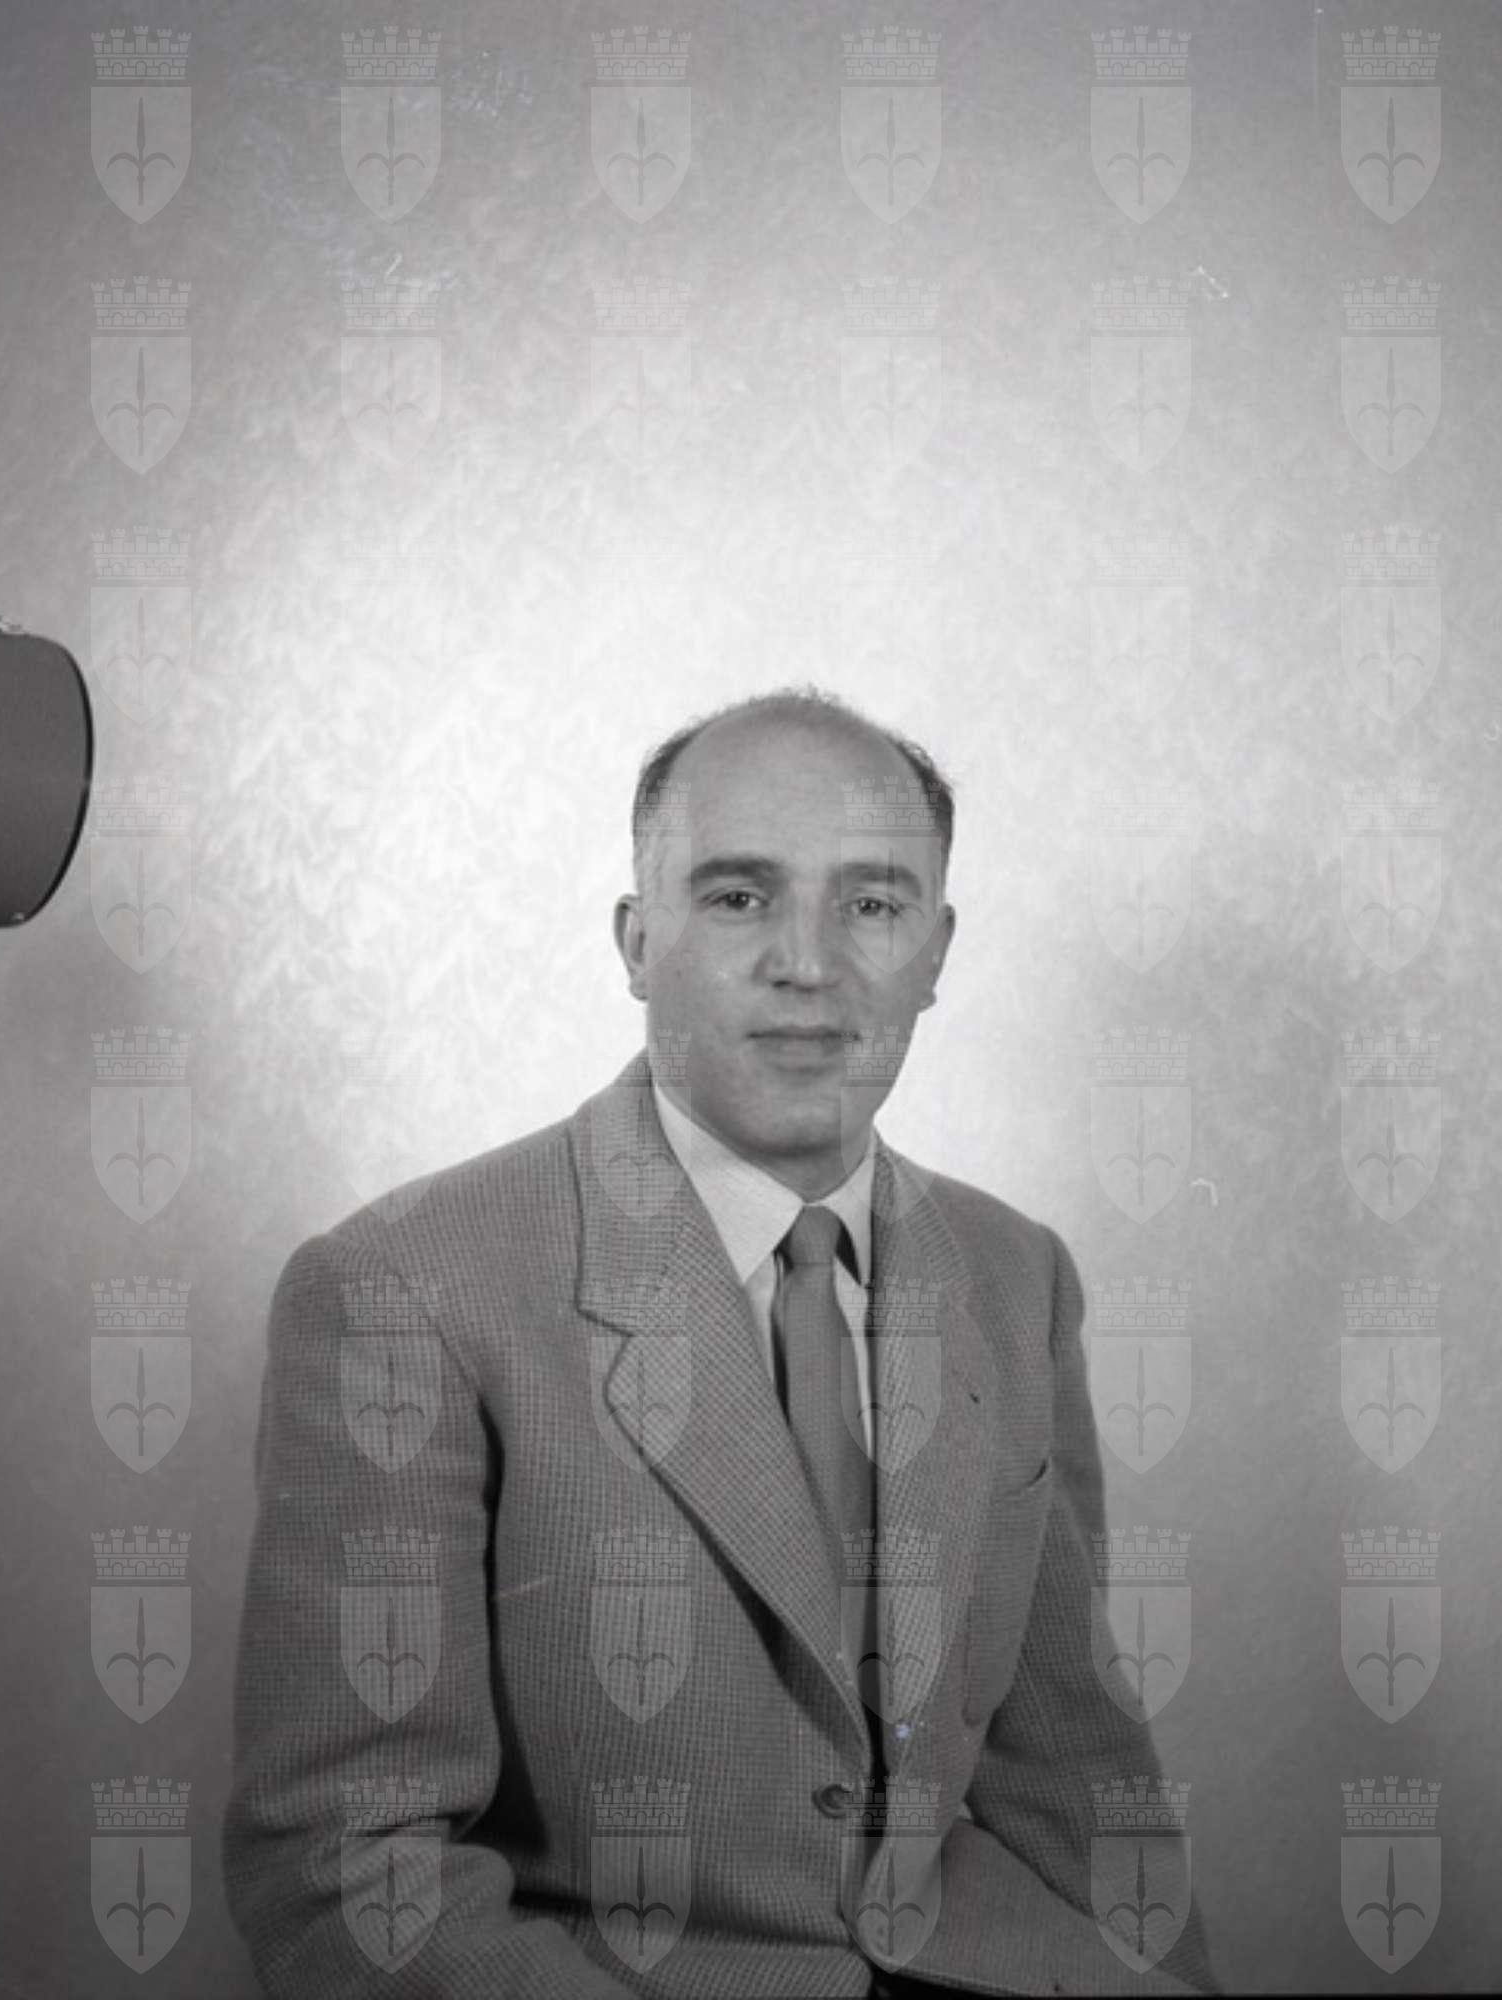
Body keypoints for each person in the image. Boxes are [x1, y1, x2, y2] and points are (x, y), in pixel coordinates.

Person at [223, 687, 1217, 1997]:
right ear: (638, 941)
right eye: (740, 896)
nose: (810, 963)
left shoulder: (1014, 1273)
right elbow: (348, 1871)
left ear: (937, 952)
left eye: (873, 904)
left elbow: (1077, 1772)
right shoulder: (406, 1288)